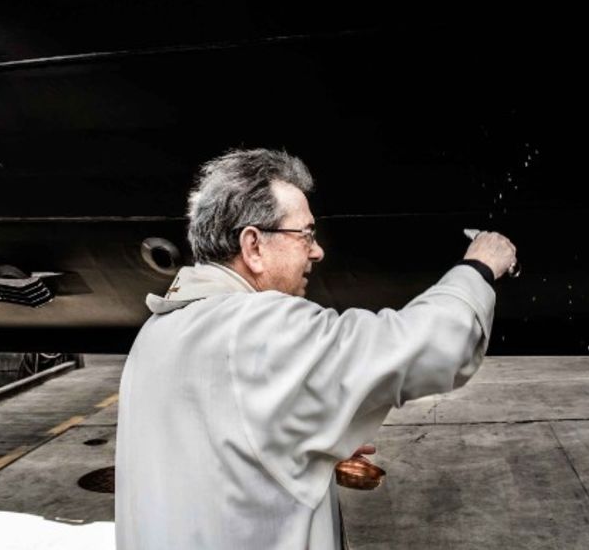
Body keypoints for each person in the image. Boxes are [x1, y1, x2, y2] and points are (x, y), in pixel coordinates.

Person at [115, 148, 516, 550]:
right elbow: (416, 345)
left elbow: (213, 450)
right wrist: (478, 269)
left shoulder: (158, 331)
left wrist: (297, 442)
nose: (317, 250)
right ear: (253, 246)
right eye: (304, 234)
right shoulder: (257, 327)